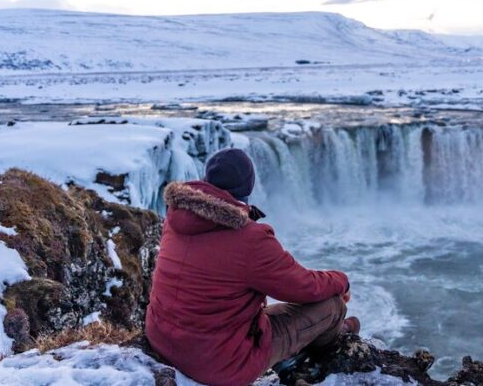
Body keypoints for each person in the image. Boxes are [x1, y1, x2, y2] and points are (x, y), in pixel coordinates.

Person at [145, 148, 359, 386]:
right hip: (220, 364)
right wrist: (341, 280)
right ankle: (324, 350)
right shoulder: (249, 238)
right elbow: (304, 286)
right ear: (248, 188)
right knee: (331, 305)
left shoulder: (176, 219)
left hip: (163, 341)